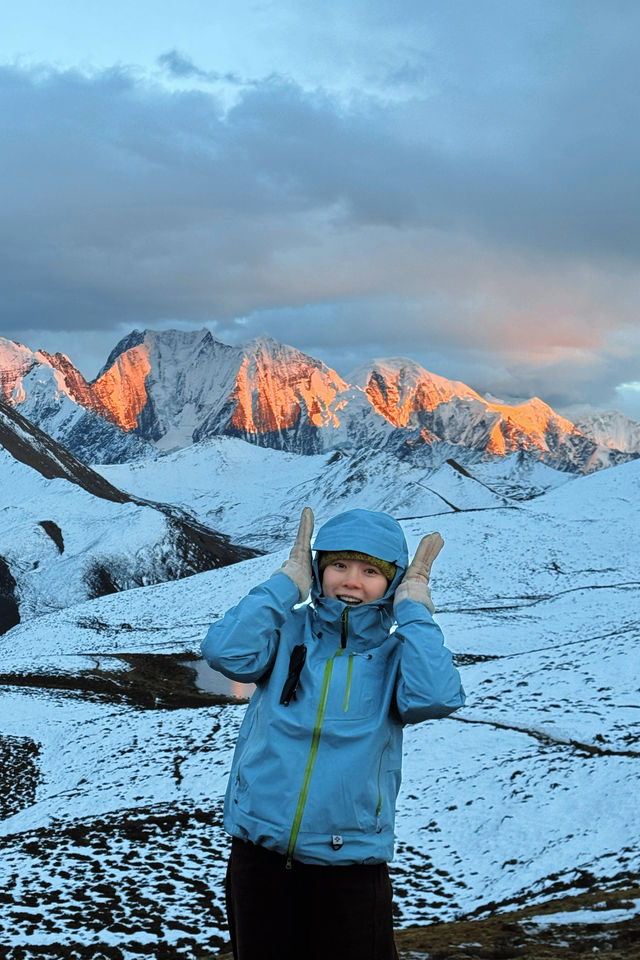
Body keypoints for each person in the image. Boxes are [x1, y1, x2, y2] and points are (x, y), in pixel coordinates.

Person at [201, 507, 465, 960]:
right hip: (259, 854)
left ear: (393, 582)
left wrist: (415, 610)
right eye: (338, 565)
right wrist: (287, 582)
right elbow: (223, 652)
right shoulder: (287, 630)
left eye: (370, 571)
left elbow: (435, 696)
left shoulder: (394, 650)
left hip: (351, 865)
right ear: (320, 568)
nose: (351, 581)